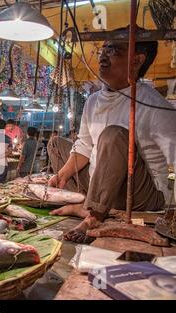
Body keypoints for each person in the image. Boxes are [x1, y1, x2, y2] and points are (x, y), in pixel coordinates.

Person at [47, 26, 176, 243]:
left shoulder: (156, 107)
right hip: (102, 185)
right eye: (103, 50)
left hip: (141, 196)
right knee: (56, 144)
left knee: (113, 135)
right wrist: (61, 175)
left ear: (136, 61)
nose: (103, 58)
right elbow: (85, 146)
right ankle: (89, 204)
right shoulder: (93, 100)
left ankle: (93, 215)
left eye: (114, 51)